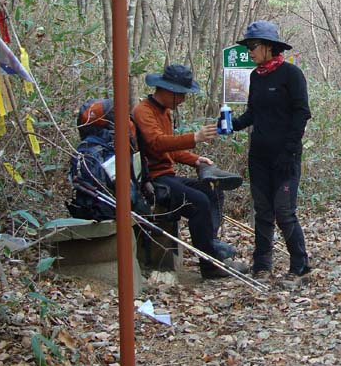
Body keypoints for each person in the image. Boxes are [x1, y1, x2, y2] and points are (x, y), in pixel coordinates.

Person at [133, 64, 238, 280]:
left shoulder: (165, 112)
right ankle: (209, 266)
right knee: (198, 201)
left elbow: (172, 149)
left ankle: (211, 247)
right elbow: (156, 143)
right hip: (153, 179)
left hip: (167, 175)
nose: (183, 100)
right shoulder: (143, 111)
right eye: (181, 95)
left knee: (211, 190)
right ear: (167, 91)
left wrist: (196, 160)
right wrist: (195, 138)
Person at [231, 21, 312, 278]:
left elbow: (302, 112)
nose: (249, 52)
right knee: (263, 210)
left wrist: (290, 147)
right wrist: (232, 125)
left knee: (284, 211)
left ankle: (300, 264)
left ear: (269, 47)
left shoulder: (291, 74)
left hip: (285, 156)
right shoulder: (256, 77)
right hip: (259, 156)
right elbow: (253, 113)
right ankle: (262, 265)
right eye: (247, 47)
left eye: (253, 46)